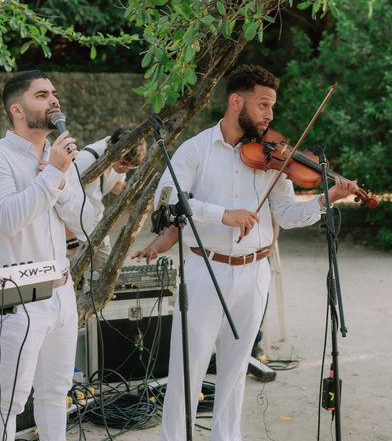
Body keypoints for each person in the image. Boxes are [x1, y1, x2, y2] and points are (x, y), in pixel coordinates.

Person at [133, 64, 359, 441]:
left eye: (272, 107)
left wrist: (327, 198)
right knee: (188, 369)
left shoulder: (272, 157)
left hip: (255, 273)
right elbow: (168, 202)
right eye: (263, 105)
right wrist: (223, 215)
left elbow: (285, 214)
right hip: (206, 269)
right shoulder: (196, 150)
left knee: (236, 370)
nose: (270, 115)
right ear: (236, 101)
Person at [0, 70, 93, 440]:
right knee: (8, 400)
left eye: (54, 92)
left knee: (56, 394)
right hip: (19, 295)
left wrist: (58, 177)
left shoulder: (59, 158)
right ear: (17, 109)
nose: (54, 99)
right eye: (42, 94)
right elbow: (7, 219)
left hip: (62, 291)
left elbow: (84, 221)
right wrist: (51, 172)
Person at [65, 127, 147, 268]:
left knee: (103, 273)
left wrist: (121, 185)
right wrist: (69, 239)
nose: (125, 169)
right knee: (73, 280)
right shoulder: (86, 159)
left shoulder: (120, 162)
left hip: (97, 226)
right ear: (113, 148)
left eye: (131, 167)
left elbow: (119, 179)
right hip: (74, 232)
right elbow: (61, 200)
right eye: (124, 163)